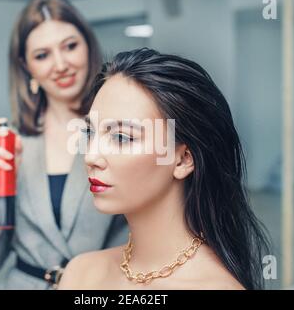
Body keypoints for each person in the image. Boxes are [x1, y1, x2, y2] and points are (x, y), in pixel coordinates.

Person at [59, 48, 270, 290]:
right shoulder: (80, 273)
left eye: (121, 137)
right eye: (90, 132)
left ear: (182, 160)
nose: (91, 156)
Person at [0, 0, 127, 290]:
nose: (61, 64)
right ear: (26, 67)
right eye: (42, 55)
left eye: (70, 46)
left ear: (88, 46)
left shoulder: (124, 132)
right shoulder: (13, 141)